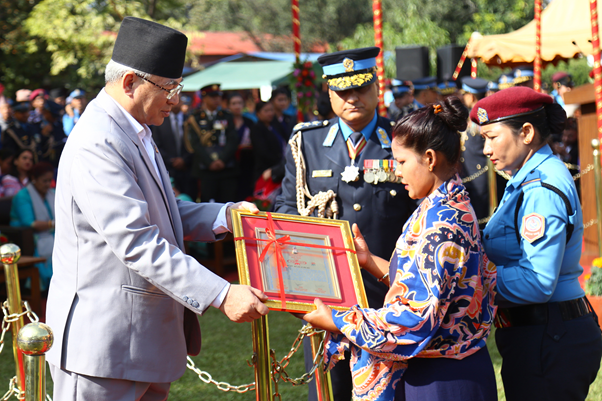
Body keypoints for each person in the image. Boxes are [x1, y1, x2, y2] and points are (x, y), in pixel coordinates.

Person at [46, 17, 269, 401]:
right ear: (130, 82)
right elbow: (137, 241)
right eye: (169, 87)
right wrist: (221, 293)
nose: (176, 99)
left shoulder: (133, 130)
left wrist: (226, 216)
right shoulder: (97, 141)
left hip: (135, 343)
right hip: (104, 349)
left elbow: (160, 211)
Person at [303, 97, 497, 401]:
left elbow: (413, 319)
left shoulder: (440, 225)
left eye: (403, 162)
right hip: (446, 371)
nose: (397, 171)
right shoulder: (444, 205)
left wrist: (339, 320)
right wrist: (369, 262)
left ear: (430, 158)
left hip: (440, 379)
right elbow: (423, 284)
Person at [274, 46, 415, 401]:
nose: (352, 98)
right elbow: (288, 209)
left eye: (361, 88)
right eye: (342, 91)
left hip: (388, 299)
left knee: (393, 392)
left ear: (376, 86)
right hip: (327, 301)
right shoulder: (306, 143)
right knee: (330, 391)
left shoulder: (403, 140)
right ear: (329, 92)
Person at [472, 86, 602, 400]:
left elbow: (537, 282)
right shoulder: (527, 178)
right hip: (543, 334)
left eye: (492, 137)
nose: (486, 149)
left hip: (549, 337)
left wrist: (471, 282)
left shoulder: (540, 187)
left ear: (526, 132)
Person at [185, 83, 239, 203]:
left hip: (226, 169)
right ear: (204, 98)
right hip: (205, 169)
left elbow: (232, 140)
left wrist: (221, 160)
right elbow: (195, 143)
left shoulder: (227, 116)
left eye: (219, 96)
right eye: (213, 96)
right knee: (207, 203)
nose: (217, 99)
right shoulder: (196, 118)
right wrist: (210, 162)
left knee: (229, 203)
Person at [10, 162, 55, 290]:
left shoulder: (52, 193)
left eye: (49, 180)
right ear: (34, 179)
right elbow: (30, 223)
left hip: (51, 233)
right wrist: (54, 224)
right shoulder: (22, 196)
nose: (47, 184)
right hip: (30, 237)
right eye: (44, 181)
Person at [459, 77, 493, 226]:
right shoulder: (471, 115)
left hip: (480, 176)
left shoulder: (481, 117)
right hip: (469, 175)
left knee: (480, 217)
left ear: (471, 96)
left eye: (465, 94)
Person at [151, 97, 196, 200]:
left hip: (188, 169)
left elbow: (195, 143)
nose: (175, 104)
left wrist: (184, 160)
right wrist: (171, 161)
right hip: (169, 169)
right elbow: (156, 144)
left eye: (178, 100)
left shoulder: (190, 120)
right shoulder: (160, 122)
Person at [250, 101, 285, 198]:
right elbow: (262, 151)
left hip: (278, 169)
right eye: (266, 111)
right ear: (258, 113)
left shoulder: (275, 126)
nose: (270, 113)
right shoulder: (256, 129)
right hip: (265, 170)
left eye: (271, 110)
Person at [228, 93, 256, 200]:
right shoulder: (225, 122)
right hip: (229, 166)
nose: (237, 106)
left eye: (239, 103)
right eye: (234, 103)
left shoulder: (249, 122)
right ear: (229, 105)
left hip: (247, 165)